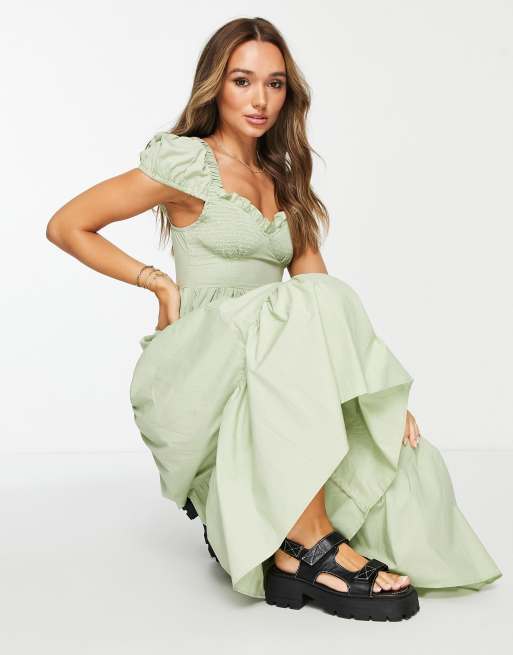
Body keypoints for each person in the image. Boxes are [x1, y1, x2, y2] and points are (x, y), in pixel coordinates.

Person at [46, 17, 502, 622]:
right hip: (202, 359)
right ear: (216, 86)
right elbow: (66, 225)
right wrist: (156, 281)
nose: (259, 99)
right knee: (301, 308)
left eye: (275, 83)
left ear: (289, 94)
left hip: (275, 363)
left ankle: (294, 540)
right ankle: (308, 545)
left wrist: (375, 391)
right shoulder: (187, 165)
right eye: (242, 81)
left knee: (378, 417)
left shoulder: (285, 180)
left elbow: (321, 295)